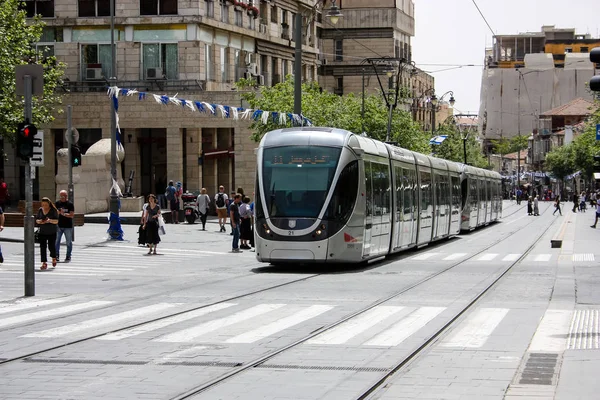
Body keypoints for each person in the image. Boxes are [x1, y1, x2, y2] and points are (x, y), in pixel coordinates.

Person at [36, 197, 59, 270]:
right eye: (43, 204)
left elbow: (56, 221)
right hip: (42, 231)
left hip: (52, 232)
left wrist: (49, 221)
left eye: (46, 204)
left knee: (51, 246)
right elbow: (37, 219)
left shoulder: (53, 210)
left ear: (49, 204)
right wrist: (40, 221)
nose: (44, 206)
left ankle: (54, 257)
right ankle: (44, 263)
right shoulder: (40, 210)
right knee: (42, 247)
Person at [55, 190, 75, 262]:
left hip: (68, 226)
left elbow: (72, 215)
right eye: (61, 196)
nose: (62, 197)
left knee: (68, 242)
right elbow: (54, 213)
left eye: (63, 196)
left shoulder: (70, 204)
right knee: (57, 241)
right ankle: (56, 255)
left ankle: (68, 255)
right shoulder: (57, 203)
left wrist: (64, 214)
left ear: (66, 196)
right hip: (59, 225)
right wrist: (58, 212)